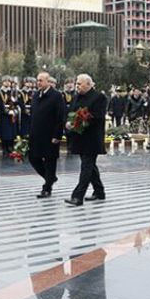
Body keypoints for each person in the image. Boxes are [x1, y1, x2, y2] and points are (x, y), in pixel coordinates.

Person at [65, 74, 107, 207]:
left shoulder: (99, 97)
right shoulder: (76, 97)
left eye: (80, 84)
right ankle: (99, 192)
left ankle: (78, 196)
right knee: (90, 166)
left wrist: (81, 121)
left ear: (89, 84)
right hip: (79, 137)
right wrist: (69, 123)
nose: (77, 86)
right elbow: (71, 112)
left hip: (92, 139)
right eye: (76, 83)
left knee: (86, 167)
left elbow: (98, 116)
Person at [29, 72, 65, 199]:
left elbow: (60, 116)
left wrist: (57, 135)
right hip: (36, 134)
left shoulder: (56, 96)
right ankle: (50, 178)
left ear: (48, 82)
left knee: (50, 162)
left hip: (50, 135)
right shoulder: (35, 95)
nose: (38, 83)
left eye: (41, 80)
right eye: (37, 80)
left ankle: (47, 188)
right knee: (33, 158)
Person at [0, 76, 19, 155]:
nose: (7, 83)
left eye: (9, 81)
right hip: (4, 114)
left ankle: (11, 146)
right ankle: (4, 147)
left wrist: (15, 110)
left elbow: (16, 102)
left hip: (12, 114)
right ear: (2, 82)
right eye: (5, 81)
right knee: (5, 131)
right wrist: (7, 111)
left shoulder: (12, 92)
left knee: (12, 131)